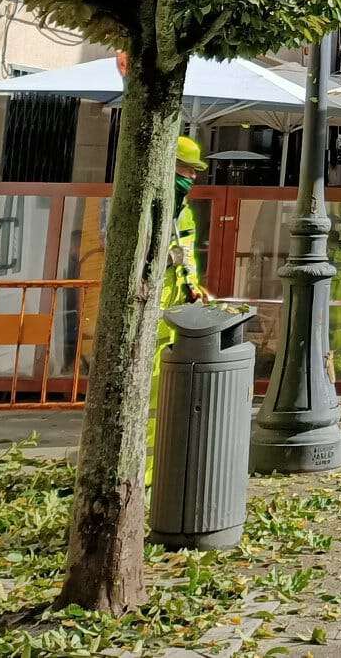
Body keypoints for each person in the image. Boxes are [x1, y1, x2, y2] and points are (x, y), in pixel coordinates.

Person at [147, 134, 210, 483]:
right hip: (153, 305)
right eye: (188, 169)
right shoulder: (154, 202)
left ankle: (159, 466)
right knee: (155, 390)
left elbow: (186, 253)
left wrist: (192, 284)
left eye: (196, 170)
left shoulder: (182, 210)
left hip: (173, 303)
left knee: (164, 389)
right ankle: (146, 470)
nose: (194, 177)